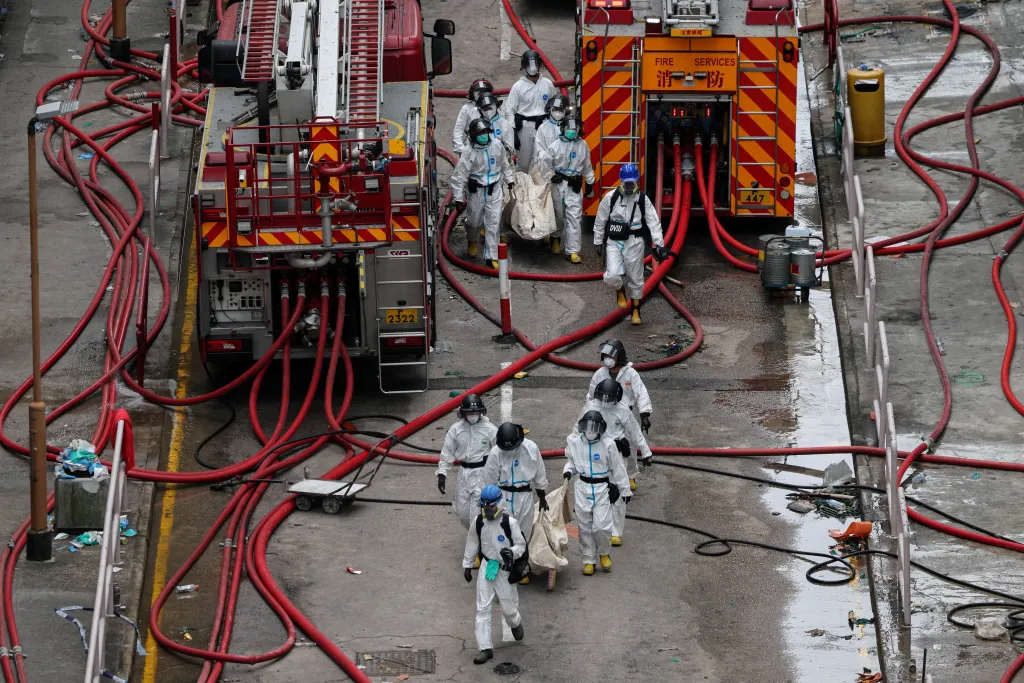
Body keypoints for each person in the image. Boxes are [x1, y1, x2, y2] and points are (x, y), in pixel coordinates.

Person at [593, 163, 671, 325]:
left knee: (636, 278)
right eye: (626, 182)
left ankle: (636, 311)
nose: (629, 186)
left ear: (636, 181)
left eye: (631, 182)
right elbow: (600, 219)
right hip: (614, 241)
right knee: (612, 274)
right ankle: (619, 288)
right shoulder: (611, 197)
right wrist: (598, 240)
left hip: (634, 242)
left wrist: (659, 244)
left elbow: (653, 222)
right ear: (621, 181)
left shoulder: (642, 199)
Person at [578, 378, 651, 546]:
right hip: (595, 453)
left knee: (617, 491)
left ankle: (616, 531)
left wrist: (646, 452)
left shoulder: (623, 411)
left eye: (608, 398)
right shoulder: (590, 407)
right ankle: (595, 526)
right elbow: (577, 430)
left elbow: (635, 432)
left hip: (617, 454)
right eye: (602, 397)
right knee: (595, 490)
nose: (604, 401)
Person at [463, 485, 526, 665]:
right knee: (482, 608)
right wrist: (467, 565)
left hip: (505, 569)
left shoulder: (510, 523)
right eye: (485, 507)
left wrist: (512, 552)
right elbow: (472, 543)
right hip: (487, 567)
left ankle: (515, 622)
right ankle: (485, 648)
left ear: (499, 504)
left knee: (508, 607)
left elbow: (521, 546)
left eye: (491, 507)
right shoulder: (478, 522)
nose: (488, 511)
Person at [563, 411, 630, 575]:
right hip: (582, 488)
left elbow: (618, 468)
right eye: (588, 427)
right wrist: (568, 471)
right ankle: (588, 560)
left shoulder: (608, 444)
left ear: (601, 428)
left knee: (601, 526)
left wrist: (625, 489)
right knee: (584, 527)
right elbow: (571, 462)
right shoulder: (575, 443)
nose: (591, 431)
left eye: (595, 428)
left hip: (601, 489)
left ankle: (604, 553)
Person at [482, 422, 548, 583]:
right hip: (502, 496)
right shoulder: (496, 452)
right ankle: (499, 566)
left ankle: (520, 567)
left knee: (522, 534)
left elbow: (539, 472)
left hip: (524, 495)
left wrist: (542, 496)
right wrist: (486, 504)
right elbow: (488, 479)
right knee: (501, 534)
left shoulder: (531, 448)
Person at [586, 338, 653, 492]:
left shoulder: (630, 374)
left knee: (629, 446)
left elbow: (641, 392)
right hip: (605, 414)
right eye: (606, 356)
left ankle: (630, 475)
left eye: (612, 356)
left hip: (625, 414)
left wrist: (644, 413)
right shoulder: (600, 374)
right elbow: (591, 395)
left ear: (620, 357)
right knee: (605, 446)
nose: (608, 360)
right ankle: (607, 476)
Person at [451, 118, 516, 268]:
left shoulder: (496, 145)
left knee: (493, 223)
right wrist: (458, 198)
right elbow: (459, 176)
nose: (483, 135)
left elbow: (504, 164)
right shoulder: (468, 152)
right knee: (474, 222)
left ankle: (491, 256)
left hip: (494, 189)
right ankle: (472, 240)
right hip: (476, 192)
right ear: (474, 136)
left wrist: (509, 179)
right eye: (480, 133)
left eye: (485, 131)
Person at [437, 394, 498, 535]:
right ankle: (476, 537)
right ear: (463, 413)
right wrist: (442, 473)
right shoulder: (456, 430)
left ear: (481, 412)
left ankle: (480, 544)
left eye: (476, 412)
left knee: (477, 514)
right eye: (470, 412)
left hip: (482, 473)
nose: (473, 415)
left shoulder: (490, 429)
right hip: (464, 473)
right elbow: (447, 451)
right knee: (462, 512)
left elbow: (498, 454)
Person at [537, 115, 595, 263]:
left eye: (574, 129)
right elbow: (545, 165)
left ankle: (573, 251)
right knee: (557, 213)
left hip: (574, 184)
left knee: (574, 218)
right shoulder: (555, 145)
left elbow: (587, 166)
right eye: (568, 129)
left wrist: (589, 183)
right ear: (562, 129)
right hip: (558, 184)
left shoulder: (582, 145)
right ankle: (556, 237)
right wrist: (551, 175)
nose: (571, 131)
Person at [505, 50, 557, 173]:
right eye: (529, 65)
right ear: (524, 66)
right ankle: (520, 189)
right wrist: (513, 132)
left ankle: (541, 191)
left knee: (543, 161)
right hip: (524, 127)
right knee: (523, 163)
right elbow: (509, 110)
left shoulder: (547, 84)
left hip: (544, 125)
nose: (532, 68)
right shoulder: (518, 87)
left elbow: (554, 105)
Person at [453, 79, 494, 155]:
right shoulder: (467, 109)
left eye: (485, 91)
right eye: (479, 91)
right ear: (473, 93)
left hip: (492, 149)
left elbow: (501, 127)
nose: (482, 94)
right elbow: (458, 131)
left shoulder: (494, 107)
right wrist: (463, 151)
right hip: (472, 149)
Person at [530, 94, 570, 168]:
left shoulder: (569, 127)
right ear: (549, 109)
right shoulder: (542, 128)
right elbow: (539, 150)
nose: (557, 113)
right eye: (555, 109)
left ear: (565, 111)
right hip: (546, 166)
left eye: (560, 110)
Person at [475, 93, 515, 159]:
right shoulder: (476, 125)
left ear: (496, 106)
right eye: (485, 109)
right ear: (480, 110)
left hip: (502, 159)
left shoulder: (504, 123)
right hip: (482, 161)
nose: (488, 111)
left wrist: (503, 158)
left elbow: (509, 146)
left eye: (489, 107)